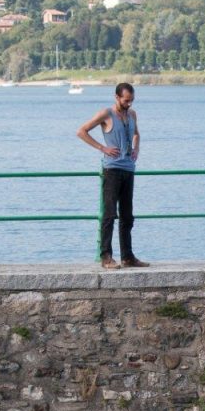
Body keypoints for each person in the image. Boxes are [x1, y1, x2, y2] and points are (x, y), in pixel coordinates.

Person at [77, 82, 150, 270]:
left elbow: (136, 134)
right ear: (116, 97)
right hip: (112, 170)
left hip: (128, 169)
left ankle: (128, 256)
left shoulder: (132, 114)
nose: (129, 104)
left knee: (127, 216)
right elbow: (81, 131)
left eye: (132, 101)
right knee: (110, 214)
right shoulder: (106, 114)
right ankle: (106, 257)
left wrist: (136, 149)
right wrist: (102, 148)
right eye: (126, 101)